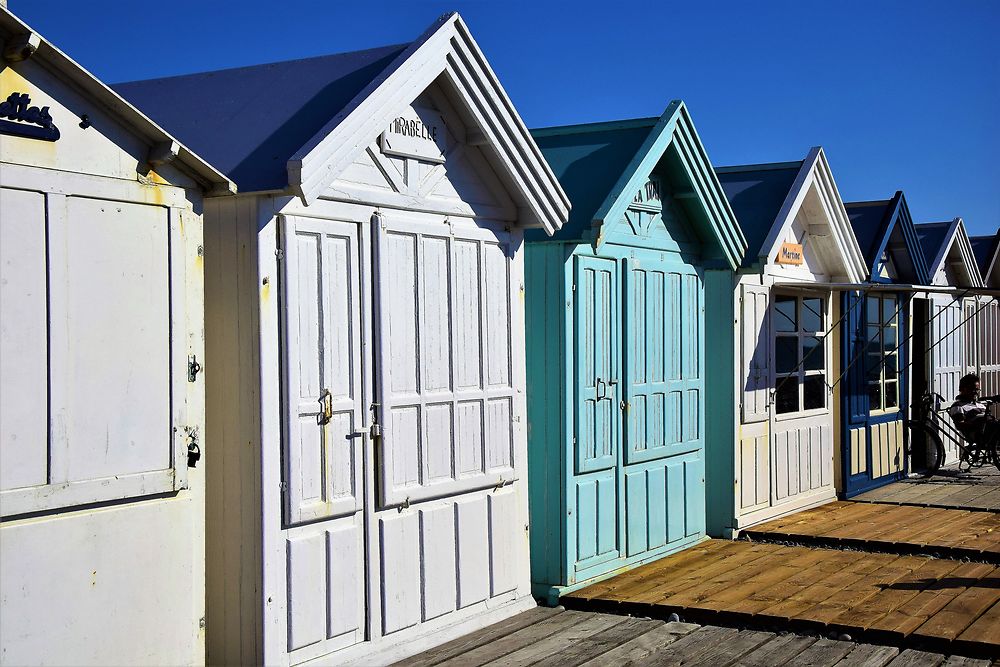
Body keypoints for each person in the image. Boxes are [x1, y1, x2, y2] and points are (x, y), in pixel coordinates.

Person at [949, 374, 1000, 446]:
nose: (975, 392)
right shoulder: (958, 406)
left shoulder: (980, 404)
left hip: (993, 429)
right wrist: (980, 424)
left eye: (977, 390)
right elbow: (960, 425)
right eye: (972, 389)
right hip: (981, 433)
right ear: (963, 389)